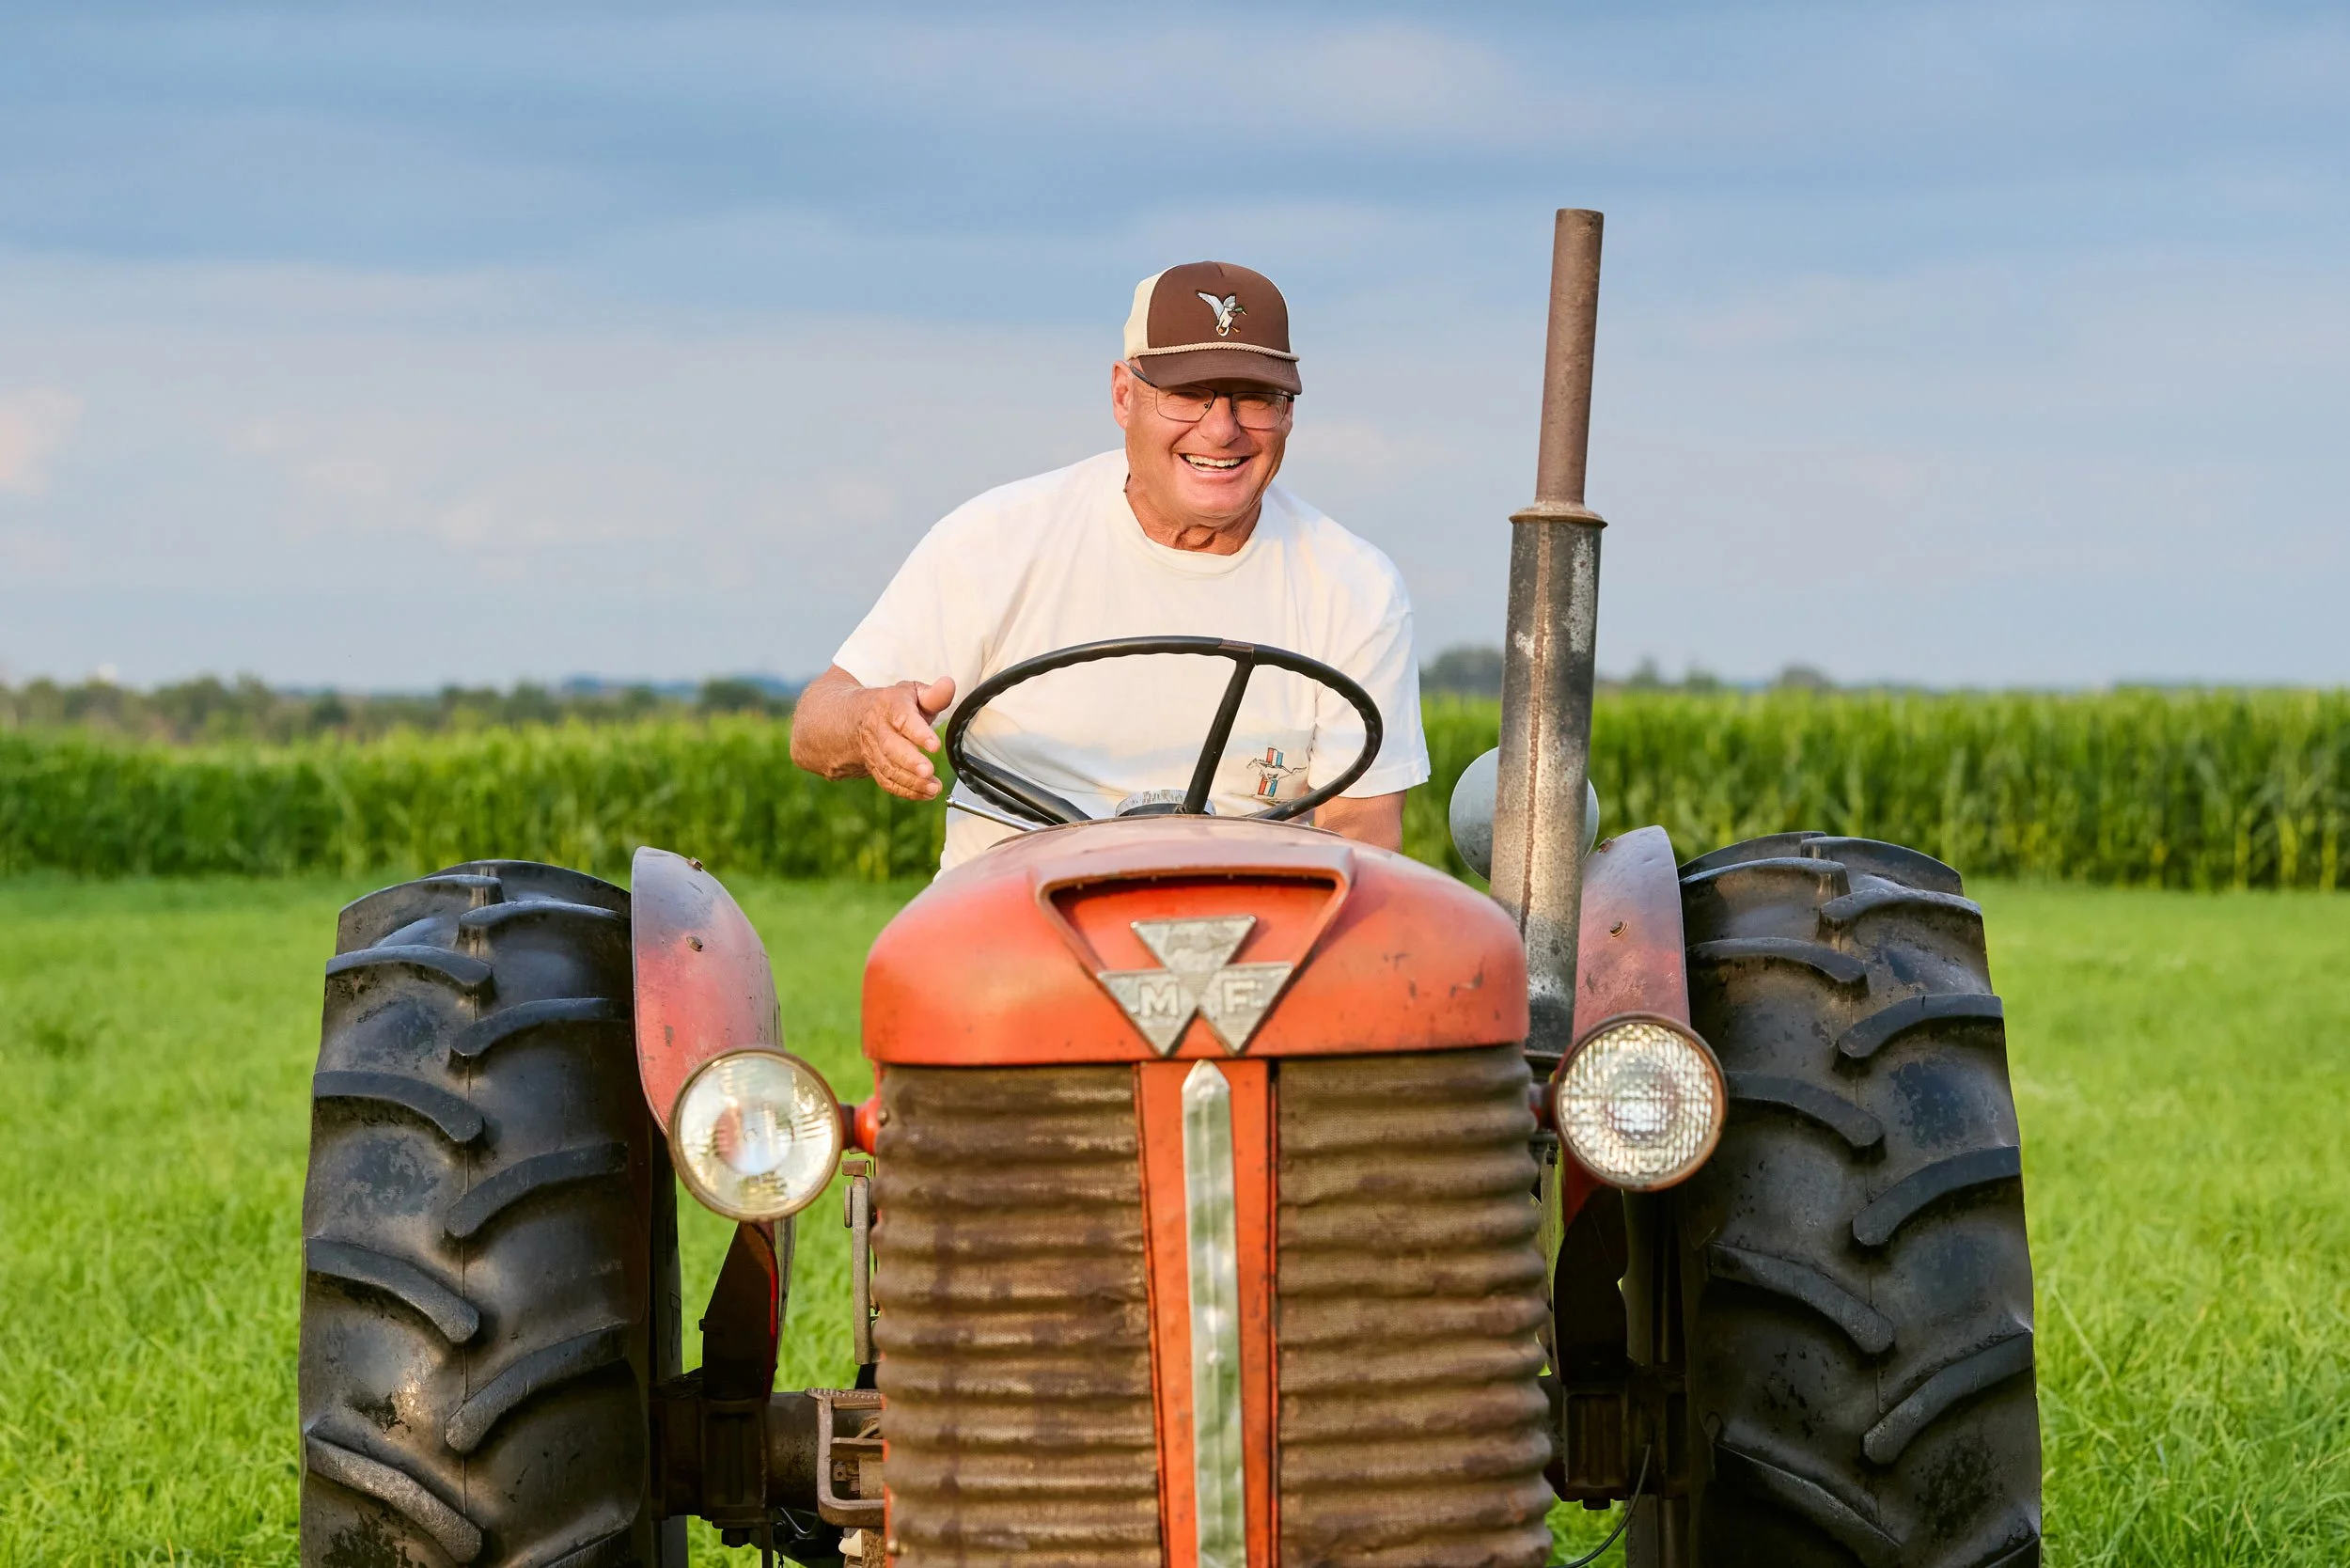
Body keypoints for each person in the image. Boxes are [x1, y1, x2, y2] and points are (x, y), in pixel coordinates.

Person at [790, 260, 1430, 871]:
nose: (1222, 430)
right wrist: (871, 718)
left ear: (1289, 412)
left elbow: (1364, 832)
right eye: (1189, 395)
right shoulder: (995, 542)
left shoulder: (1354, 586)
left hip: (1250, 938)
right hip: (1017, 921)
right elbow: (815, 725)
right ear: (1125, 396)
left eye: (1256, 399)